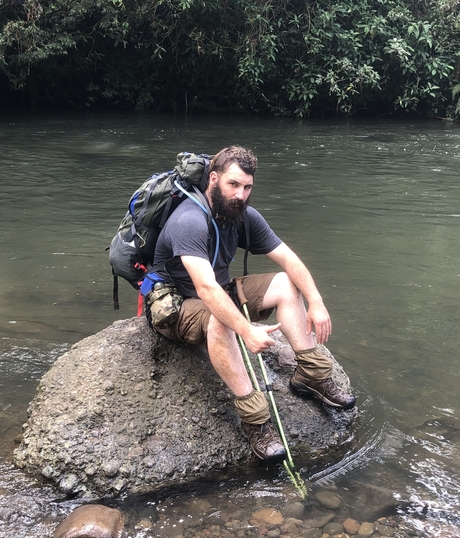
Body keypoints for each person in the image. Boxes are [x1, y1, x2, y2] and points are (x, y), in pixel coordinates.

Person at [151, 146, 355, 462]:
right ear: (214, 179)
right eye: (233, 185)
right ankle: (255, 421)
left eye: (247, 187)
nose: (241, 195)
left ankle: (310, 375)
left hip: (218, 292)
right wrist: (246, 329)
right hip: (179, 306)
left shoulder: (241, 215)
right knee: (222, 318)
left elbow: (288, 258)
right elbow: (205, 289)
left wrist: (316, 302)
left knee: (287, 284)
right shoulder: (189, 220)